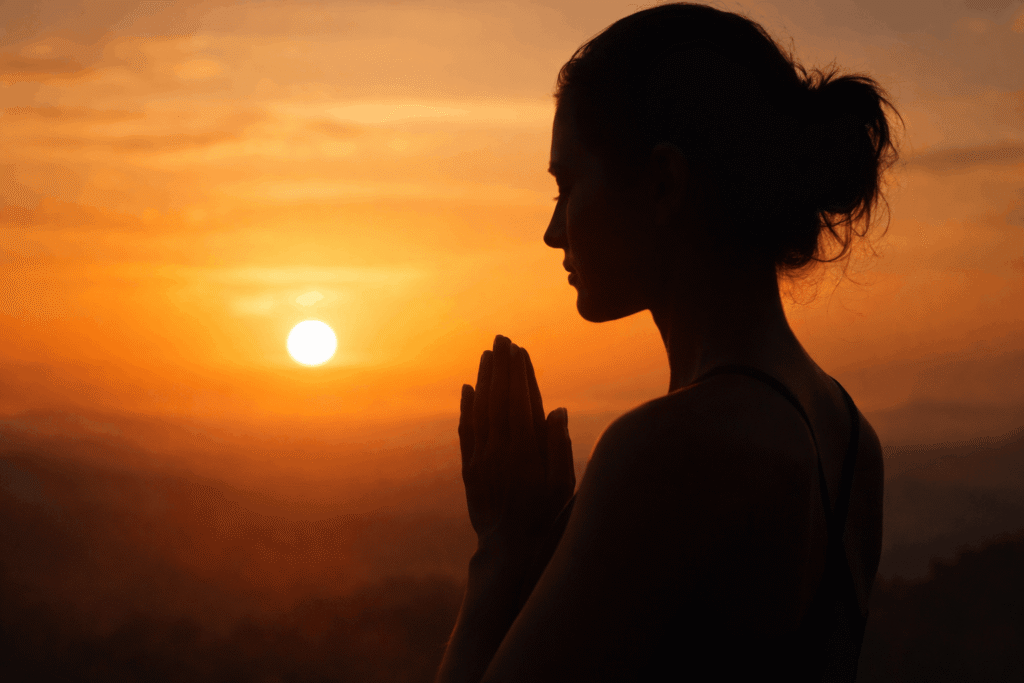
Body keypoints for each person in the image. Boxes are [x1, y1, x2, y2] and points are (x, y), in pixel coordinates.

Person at [436, 3, 901, 681]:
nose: (553, 231)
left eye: (567, 186)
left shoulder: (665, 449)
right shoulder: (854, 439)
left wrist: (502, 554)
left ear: (662, 183)